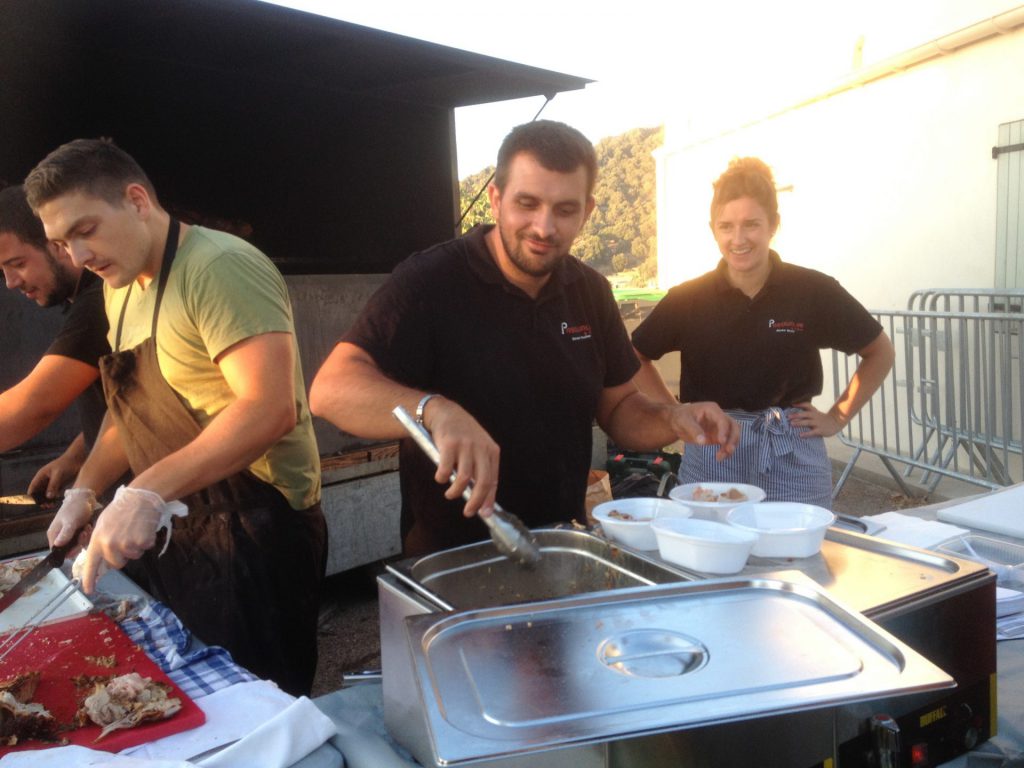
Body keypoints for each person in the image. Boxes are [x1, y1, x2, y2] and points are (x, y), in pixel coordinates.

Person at [309, 120, 739, 557]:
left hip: (558, 548)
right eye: (527, 203)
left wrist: (672, 416)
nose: (544, 227)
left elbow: (620, 408)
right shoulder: (430, 281)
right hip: (452, 561)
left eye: (565, 210)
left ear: (587, 212)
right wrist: (434, 410)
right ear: (495, 200)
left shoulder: (590, 291)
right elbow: (330, 390)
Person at [25, 138, 326, 696]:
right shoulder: (121, 290)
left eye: (85, 229)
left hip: (254, 531)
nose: (78, 256)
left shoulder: (219, 267)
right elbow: (129, 410)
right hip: (183, 526)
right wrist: (87, 491)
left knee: (260, 713)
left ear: (137, 199)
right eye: (62, 242)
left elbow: (269, 406)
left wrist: (143, 492)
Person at [631, 157, 895, 508]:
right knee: (712, 556)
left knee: (796, 556)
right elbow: (634, 357)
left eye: (751, 224)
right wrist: (676, 413)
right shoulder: (688, 298)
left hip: (792, 448)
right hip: (713, 448)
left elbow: (880, 352)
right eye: (726, 226)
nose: (738, 239)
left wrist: (837, 417)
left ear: (774, 225)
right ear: (713, 229)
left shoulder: (814, 290)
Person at [0, 184, 109, 498]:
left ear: (58, 245)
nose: (10, 282)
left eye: (18, 264)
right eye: (2, 269)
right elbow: (124, 405)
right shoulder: (85, 301)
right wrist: (77, 454)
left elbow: (34, 406)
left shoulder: (99, 301)